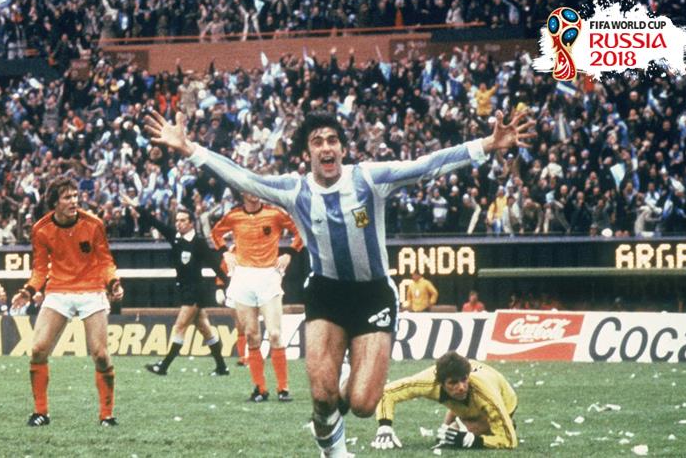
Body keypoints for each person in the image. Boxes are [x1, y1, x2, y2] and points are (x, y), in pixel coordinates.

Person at [145, 108, 533, 457]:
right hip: (326, 293)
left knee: (363, 404)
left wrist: (488, 144)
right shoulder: (295, 190)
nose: (326, 147)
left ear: (343, 149)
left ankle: (343, 390)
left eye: (332, 140)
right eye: (317, 142)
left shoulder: (369, 179)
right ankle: (335, 451)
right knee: (321, 395)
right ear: (308, 154)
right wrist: (189, 149)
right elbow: (241, 176)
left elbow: (427, 165)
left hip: (373, 295)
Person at [11, 176, 124, 427]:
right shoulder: (41, 229)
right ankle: (41, 412)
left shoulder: (93, 224)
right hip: (59, 291)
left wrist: (113, 282)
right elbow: (40, 269)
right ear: (55, 202)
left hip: (91, 289)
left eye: (75, 196)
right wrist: (28, 291)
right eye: (67, 197)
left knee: (101, 355)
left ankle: (107, 415)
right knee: (38, 349)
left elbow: (105, 261)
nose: (74, 201)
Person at [211, 192, 304, 402]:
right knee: (251, 334)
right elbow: (215, 233)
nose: (254, 193)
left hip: (268, 276)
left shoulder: (274, 214)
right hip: (243, 277)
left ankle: (283, 388)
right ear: (243, 192)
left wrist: (289, 253)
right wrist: (225, 252)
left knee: (275, 333)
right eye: (249, 189)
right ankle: (260, 389)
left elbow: (300, 230)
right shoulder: (234, 216)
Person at [371, 351, 517, 450]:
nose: (461, 387)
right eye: (453, 382)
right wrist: (385, 426)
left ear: (468, 376)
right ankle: (466, 422)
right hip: (463, 404)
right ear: (440, 383)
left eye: (464, 379)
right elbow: (387, 392)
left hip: (504, 402)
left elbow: (509, 441)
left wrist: (475, 441)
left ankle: (504, 422)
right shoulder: (428, 381)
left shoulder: (485, 393)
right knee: (447, 436)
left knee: (456, 435)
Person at [145, 208, 230, 376]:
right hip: (185, 290)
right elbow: (157, 223)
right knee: (205, 329)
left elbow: (214, 264)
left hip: (195, 291)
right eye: (177, 220)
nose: (179, 223)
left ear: (191, 223)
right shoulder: (176, 238)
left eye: (183, 220)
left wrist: (227, 284)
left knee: (180, 326)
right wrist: (137, 207)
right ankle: (222, 367)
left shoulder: (198, 242)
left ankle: (163, 366)